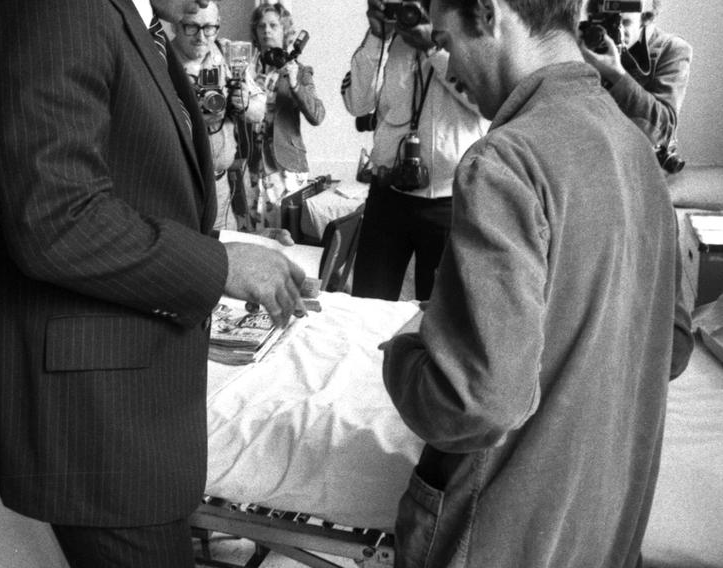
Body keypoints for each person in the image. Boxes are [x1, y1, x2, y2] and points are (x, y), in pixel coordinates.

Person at [0, 0, 305, 566]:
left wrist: (225, 256)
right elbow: (57, 218)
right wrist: (220, 267)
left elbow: (134, 191)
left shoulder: (128, 24)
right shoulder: (59, 12)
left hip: (129, 398)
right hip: (95, 414)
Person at [381, 0, 692, 565]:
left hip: (499, 536)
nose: (451, 65)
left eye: (448, 40)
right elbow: (670, 347)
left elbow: (477, 402)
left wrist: (405, 351)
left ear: (488, 15)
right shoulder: (637, 152)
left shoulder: (506, 162)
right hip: (603, 529)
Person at [343, 0, 487, 301]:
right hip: (388, 194)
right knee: (367, 303)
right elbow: (356, 103)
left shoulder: (472, 33)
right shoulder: (392, 39)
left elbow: (483, 102)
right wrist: (375, 37)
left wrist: (434, 49)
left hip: (448, 201)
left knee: (437, 317)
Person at [171, 2, 266, 231]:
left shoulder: (227, 54)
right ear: (176, 25)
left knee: (224, 252)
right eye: (191, 27)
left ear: (218, 26)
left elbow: (259, 111)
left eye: (209, 28)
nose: (202, 37)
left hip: (219, 184)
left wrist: (242, 104)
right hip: (178, 188)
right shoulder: (160, 58)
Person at [579, 0, 692, 161]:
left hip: (641, 163)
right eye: (602, 21)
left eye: (623, 22)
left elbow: (663, 130)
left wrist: (617, 75)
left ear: (646, 18)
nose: (609, 32)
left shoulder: (671, 49)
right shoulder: (585, 43)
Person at [246, 2, 325, 230]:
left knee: (287, 234)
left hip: (286, 166)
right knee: (255, 234)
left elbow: (317, 115)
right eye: (261, 26)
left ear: (285, 31)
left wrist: (294, 82)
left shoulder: (301, 71)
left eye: (273, 25)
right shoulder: (245, 70)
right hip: (251, 166)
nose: (266, 31)